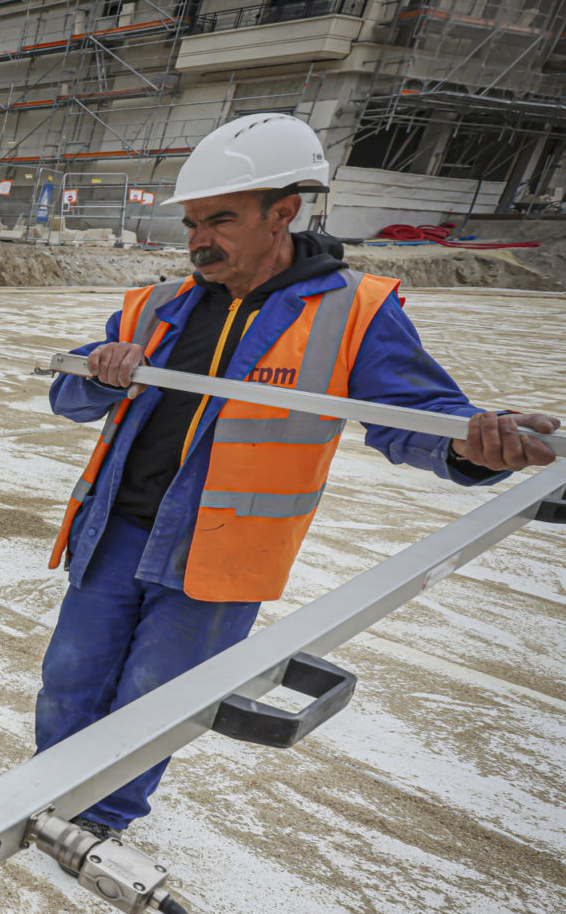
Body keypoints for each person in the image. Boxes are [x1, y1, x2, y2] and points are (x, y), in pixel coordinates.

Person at [39, 113, 557, 838]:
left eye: (221, 220)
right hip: (117, 532)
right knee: (70, 679)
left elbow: (418, 416)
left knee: (156, 700)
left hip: (222, 552)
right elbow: (67, 395)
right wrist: (100, 372)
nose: (198, 240)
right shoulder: (158, 305)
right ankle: (45, 804)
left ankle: (101, 823)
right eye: (192, 223)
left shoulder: (353, 310)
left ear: (283, 212)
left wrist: (477, 446)